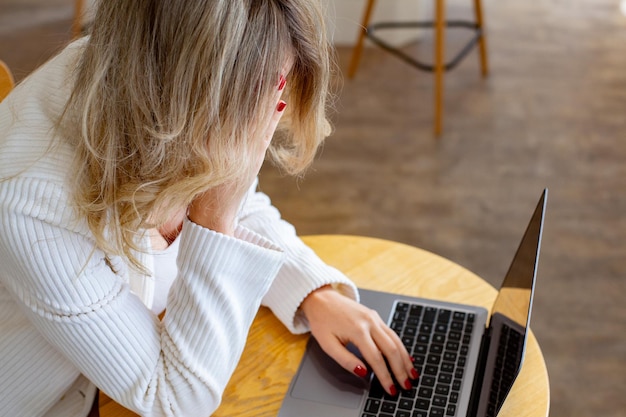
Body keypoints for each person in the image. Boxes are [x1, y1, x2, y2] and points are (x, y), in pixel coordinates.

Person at [0, 1, 417, 416]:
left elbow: (236, 201)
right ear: (175, 98)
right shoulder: (31, 202)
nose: (260, 126)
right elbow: (173, 399)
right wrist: (214, 220)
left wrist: (314, 294)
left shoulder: (166, 96)